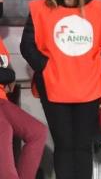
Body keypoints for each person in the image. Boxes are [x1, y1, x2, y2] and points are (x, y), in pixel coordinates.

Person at [21, 0, 101, 179]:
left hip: (88, 87)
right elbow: (27, 45)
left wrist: (100, 65)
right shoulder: (40, 9)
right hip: (54, 87)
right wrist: (45, 67)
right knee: (64, 146)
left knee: (83, 146)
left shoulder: (99, 10)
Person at [0, 27, 47, 178]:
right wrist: (7, 75)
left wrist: (8, 75)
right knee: (4, 129)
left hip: (2, 97)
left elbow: (8, 72)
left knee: (37, 131)